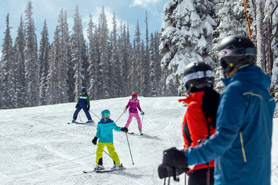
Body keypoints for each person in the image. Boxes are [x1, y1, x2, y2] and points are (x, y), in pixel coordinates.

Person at [158, 35, 275, 185]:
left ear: (231, 60)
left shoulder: (235, 91)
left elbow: (222, 140)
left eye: (223, 62)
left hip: (234, 177)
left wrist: (185, 157)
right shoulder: (265, 95)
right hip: (259, 178)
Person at [158, 62, 220, 185]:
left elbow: (200, 143)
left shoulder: (195, 107)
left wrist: (179, 160)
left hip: (203, 174)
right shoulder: (223, 102)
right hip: (227, 169)